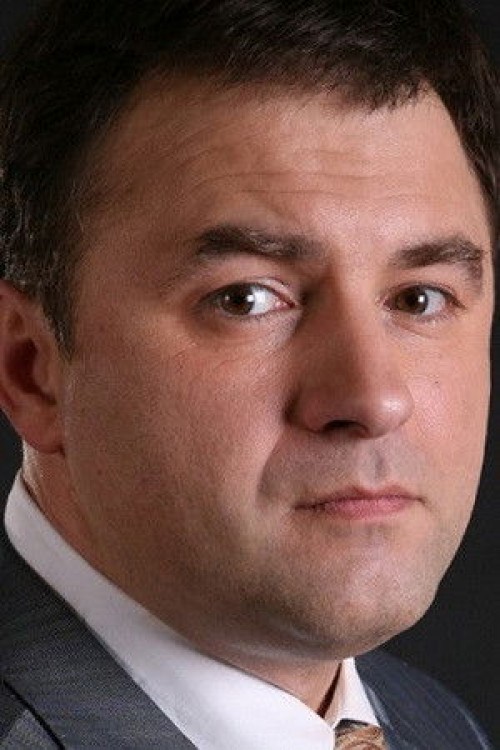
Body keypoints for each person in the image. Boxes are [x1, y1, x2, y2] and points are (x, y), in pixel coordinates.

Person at [0, 0, 497, 747]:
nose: (372, 399)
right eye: (245, 299)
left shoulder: (437, 725)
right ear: (32, 368)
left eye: (418, 298)